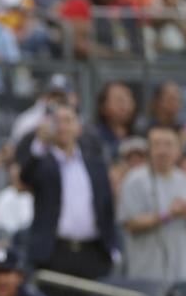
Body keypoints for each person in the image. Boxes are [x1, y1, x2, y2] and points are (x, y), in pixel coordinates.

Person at [19, 102, 116, 284]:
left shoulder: (96, 164)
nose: (62, 126)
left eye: (68, 120)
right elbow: (26, 177)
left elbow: (106, 206)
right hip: (55, 252)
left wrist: (112, 247)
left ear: (79, 127)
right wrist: (40, 144)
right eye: (57, 121)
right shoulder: (42, 161)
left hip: (93, 252)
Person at [118, 126, 186, 283]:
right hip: (147, 274)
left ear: (178, 150)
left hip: (185, 274)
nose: (163, 150)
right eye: (157, 144)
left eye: (168, 144)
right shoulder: (135, 180)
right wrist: (168, 214)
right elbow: (130, 223)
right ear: (149, 151)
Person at [91, 81, 138, 163]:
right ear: (103, 106)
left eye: (129, 100)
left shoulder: (139, 134)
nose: (125, 106)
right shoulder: (92, 136)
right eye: (119, 100)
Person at [0, 163, 33, 235]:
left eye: (17, 176)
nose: (15, 179)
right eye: (13, 176)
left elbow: (26, 223)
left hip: (17, 238)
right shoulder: (4, 194)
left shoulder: (28, 197)